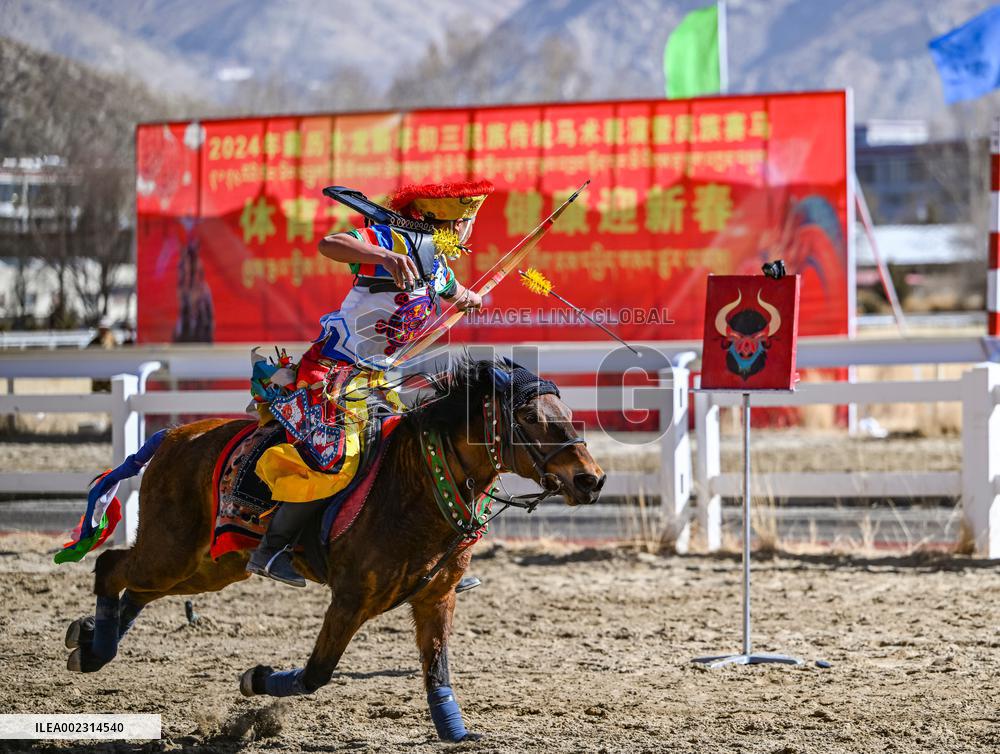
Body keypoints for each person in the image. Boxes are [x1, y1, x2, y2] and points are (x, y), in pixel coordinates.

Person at [246, 180, 493, 587]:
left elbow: (458, 293)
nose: (469, 230)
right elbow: (331, 243)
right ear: (445, 222)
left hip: (379, 380)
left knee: (418, 455)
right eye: (466, 221)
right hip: (334, 372)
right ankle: (272, 549)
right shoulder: (388, 237)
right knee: (336, 454)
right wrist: (386, 256)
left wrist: (474, 298)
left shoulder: (437, 265)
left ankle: (432, 555)